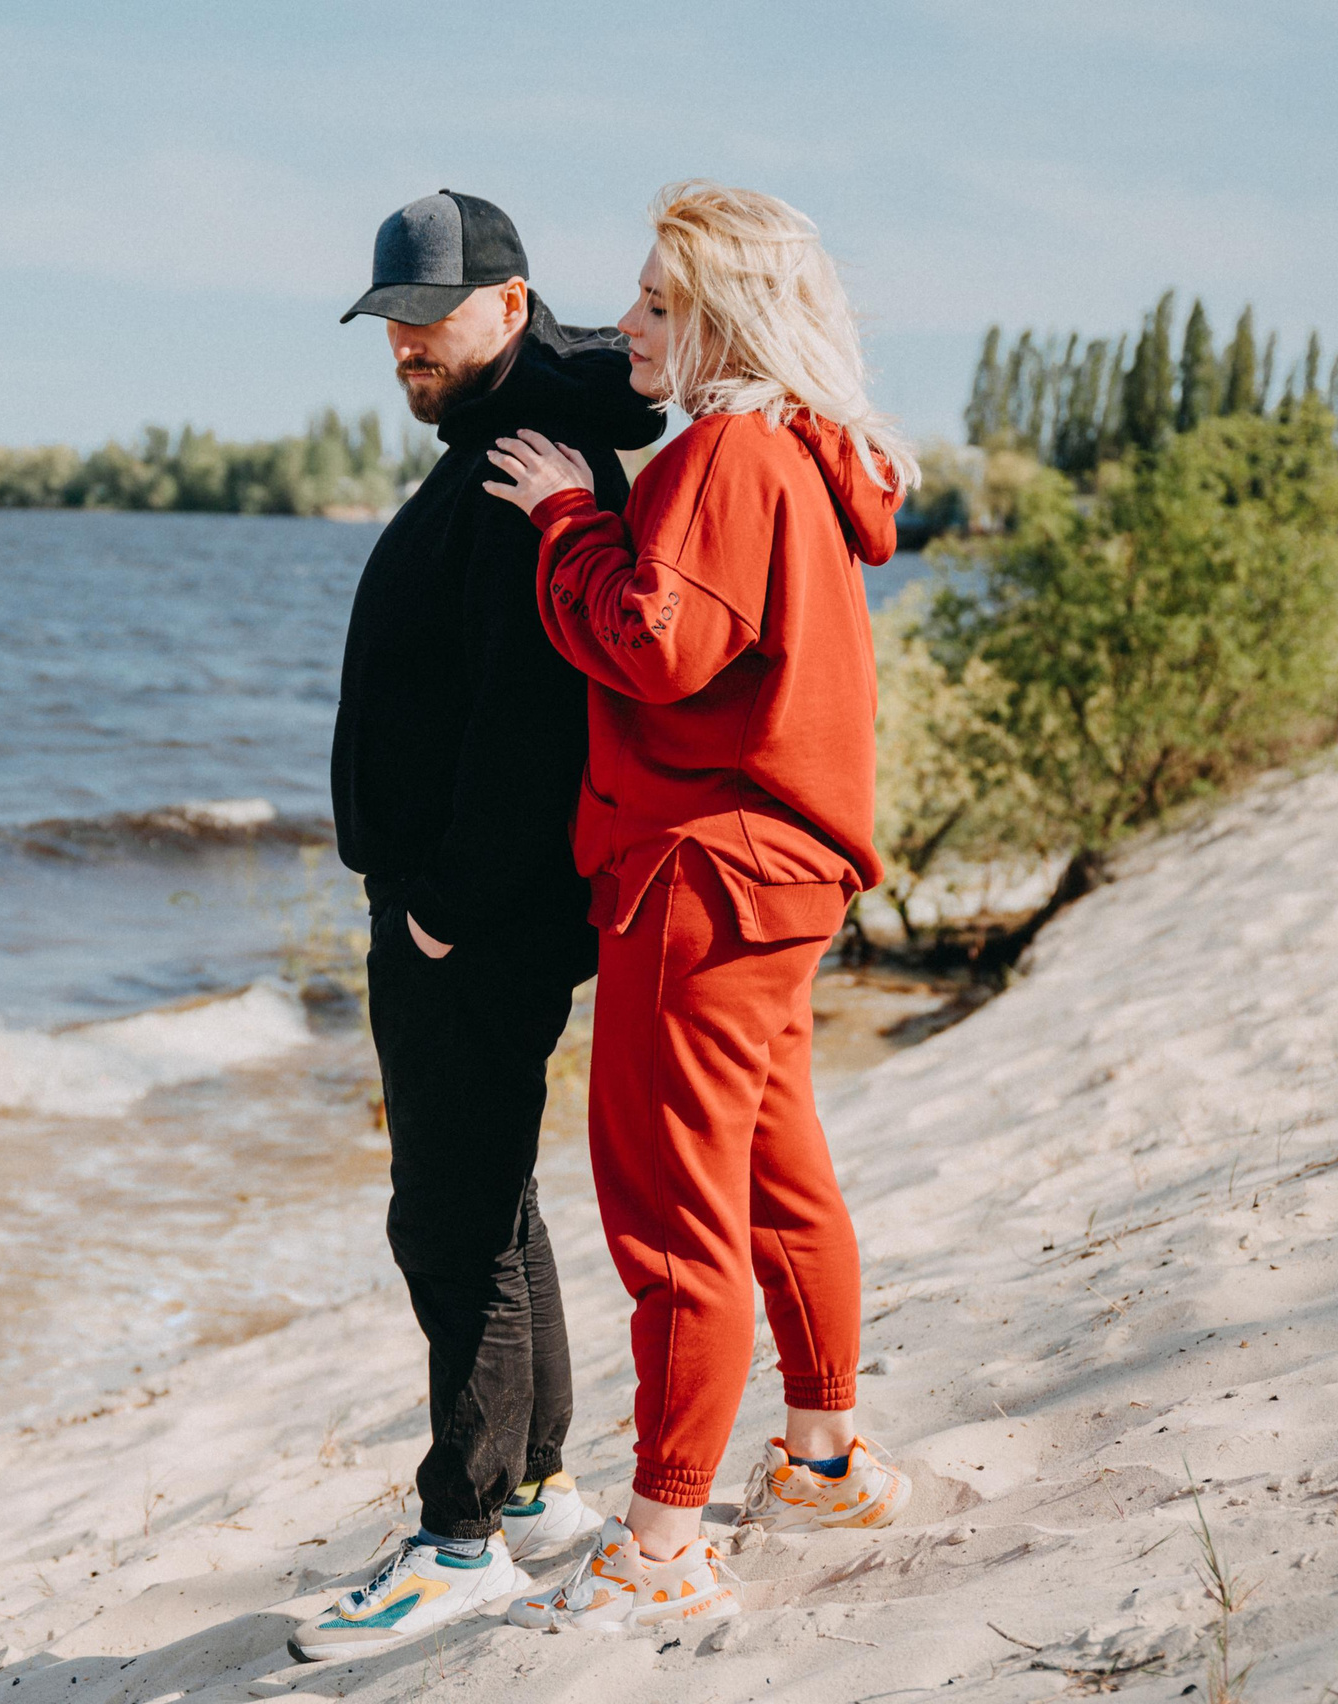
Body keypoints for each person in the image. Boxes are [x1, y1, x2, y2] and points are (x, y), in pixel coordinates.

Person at [481, 181, 919, 1635]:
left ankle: (665, 1539)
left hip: (705, 874)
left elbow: (653, 642)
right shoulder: (798, 449)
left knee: (674, 1216)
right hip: (780, 876)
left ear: (727, 319)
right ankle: (824, 1457)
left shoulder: (731, 451)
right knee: (778, 1175)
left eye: (662, 304)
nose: (630, 326)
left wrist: (566, 519)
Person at [295, 190, 665, 1664]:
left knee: (448, 1217)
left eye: (425, 318)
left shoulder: (527, 458)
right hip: (479, 912)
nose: (401, 348)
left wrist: (443, 905)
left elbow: (533, 721)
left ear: (509, 306)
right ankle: (535, 1493)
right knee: (490, 1197)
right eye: (388, 324)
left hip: (477, 916)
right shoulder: (506, 443)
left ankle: (457, 1537)